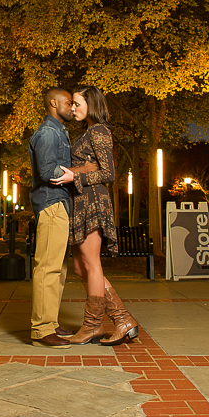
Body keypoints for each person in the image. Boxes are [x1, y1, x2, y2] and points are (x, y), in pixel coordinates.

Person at [51, 85, 140, 346]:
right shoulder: (88, 132)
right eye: (73, 104)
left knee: (90, 263)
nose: (73, 108)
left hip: (92, 201)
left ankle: (93, 326)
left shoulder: (99, 131)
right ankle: (122, 318)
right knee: (81, 265)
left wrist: (74, 174)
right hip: (81, 200)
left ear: (92, 104)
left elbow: (109, 173)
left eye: (77, 103)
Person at [27, 87, 77, 348]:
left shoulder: (59, 131)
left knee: (58, 269)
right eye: (69, 103)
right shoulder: (48, 132)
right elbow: (47, 171)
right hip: (51, 204)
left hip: (59, 205)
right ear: (53, 103)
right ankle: (41, 330)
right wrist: (79, 171)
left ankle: (51, 323)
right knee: (48, 267)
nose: (73, 107)